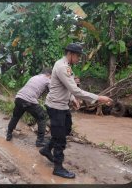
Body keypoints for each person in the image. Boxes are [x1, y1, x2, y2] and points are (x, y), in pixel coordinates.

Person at [42, 43, 113, 179]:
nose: (79, 59)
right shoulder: (63, 67)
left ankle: (46, 149)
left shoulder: (65, 66)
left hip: (62, 105)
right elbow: (75, 89)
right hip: (55, 107)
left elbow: (66, 87)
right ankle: (58, 168)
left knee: (67, 129)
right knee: (60, 138)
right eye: (78, 56)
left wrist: (73, 99)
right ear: (70, 54)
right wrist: (99, 98)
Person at [7, 69, 52, 146]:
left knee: (15, 117)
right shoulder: (47, 79)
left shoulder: (34, 77)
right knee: (42, 117)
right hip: (29, 101)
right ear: (49, 75)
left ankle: (9, 134)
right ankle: (40, 141)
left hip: (18, 98)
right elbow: (53, 91)